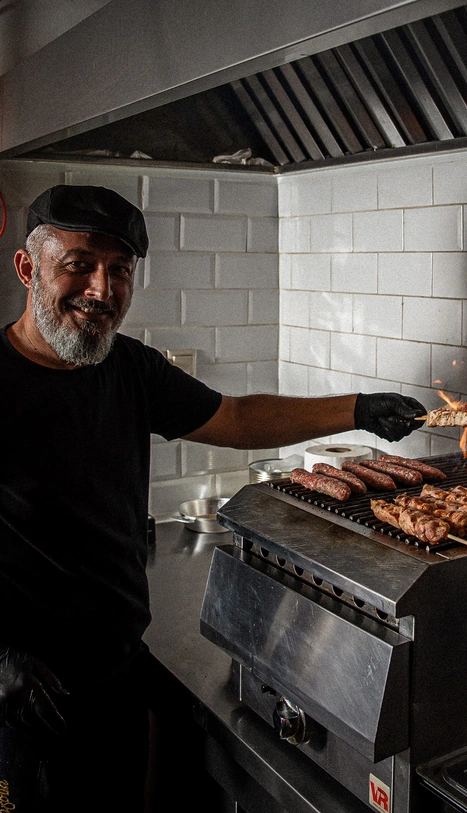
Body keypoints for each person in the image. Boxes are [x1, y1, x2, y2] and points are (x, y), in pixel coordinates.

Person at [0, 185, 425, 811]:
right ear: (28, 267)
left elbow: (237, 418)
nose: (101, 290)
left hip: (116, 679)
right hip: (25, 702)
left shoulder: (129, 370)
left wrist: (357, 410)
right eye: (79, 265)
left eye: (119, 272)